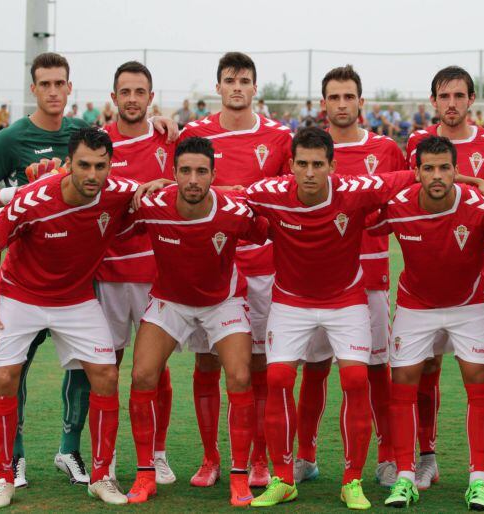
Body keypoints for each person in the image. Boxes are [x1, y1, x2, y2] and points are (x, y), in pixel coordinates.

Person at [0, 51, 178, 489]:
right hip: (28, 284)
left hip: (87, 282)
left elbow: (137, 184)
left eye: (59, 83)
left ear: (70, 87)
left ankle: (74, 451)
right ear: (34, 89)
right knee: (13, 371)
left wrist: (167, 123)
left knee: (95, 370)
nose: (52, 91)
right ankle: (15, 461)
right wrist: (23, 196)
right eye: (44, 84)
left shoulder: (92, 135)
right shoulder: (12, 139)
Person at [245, 127, 417, 509]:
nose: (309, 172)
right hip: (290, 300)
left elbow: (416, 174)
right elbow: (224, 193)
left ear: (332, 166)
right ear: (290, 166)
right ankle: (283, 477)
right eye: (302, 164)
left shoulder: (354, 190)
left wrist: (473, 180)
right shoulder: (271, 193)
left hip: (346, 299)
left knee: (356, 378)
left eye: (317, 164)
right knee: (278, 378)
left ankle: (351, 480)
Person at [124, 137, 268, 506]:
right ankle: (145, 476)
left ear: (213, 175)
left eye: (201, 172)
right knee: (141, 375)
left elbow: (263, 230)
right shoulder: (152, 205)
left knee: (239, 375)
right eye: (185, 171)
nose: (192, 179)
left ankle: (239, 477)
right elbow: (119, 208)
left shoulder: (233, 211)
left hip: (223, 301)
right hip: (170, 300)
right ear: (172, 175)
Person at [368, 136, 484, 510]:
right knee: (403, 386)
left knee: (479, 383)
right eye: (428, 168)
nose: (437, 175)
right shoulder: (398, 207)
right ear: (416, 172)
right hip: (416, 306)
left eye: (445, 167)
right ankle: (406, 478)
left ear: (457, 171)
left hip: (470, 304)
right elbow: (357, 220)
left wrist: (482, 187)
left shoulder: (479, 206)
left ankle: (478, 480)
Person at [177, 51, 293, 489]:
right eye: (230, 80)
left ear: (255, 87)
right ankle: (210, 458)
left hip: (263, 267)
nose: (238, 86)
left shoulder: (280, 136)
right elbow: (180, 184)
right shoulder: (194, 133)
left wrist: (249, 193)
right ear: (219, 87)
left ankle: (259, 458)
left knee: (256, 365)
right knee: (207, 362)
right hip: (211, 265)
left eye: (245, 80)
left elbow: (288, 192)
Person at [293, 64, 407, 488]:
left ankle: (387, 456)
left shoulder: (386, 149)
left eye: (349, 97)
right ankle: (305, 455)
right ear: (323, 104)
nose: (342, 104)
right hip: (316, 280)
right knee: (315, 367)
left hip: (370, 278)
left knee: (375, 370)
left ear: (361, 102)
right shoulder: (308, 153)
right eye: (334, 97)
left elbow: (401, 207)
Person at [406, 65, 484, 493]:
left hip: (482, 274)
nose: (451, 103)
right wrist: (470, 178)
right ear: (433, 101)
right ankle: (426, 458)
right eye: (443, 96)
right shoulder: (417, 143)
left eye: (459, 96)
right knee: (426, 368)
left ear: (472, 101)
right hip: (428, 272)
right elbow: (410, 190)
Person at [95, 60, 178, 483]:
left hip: (153, 275)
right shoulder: (97, 145)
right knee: (106, 370)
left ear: (150, 97)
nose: (131, 99)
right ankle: (104, 460)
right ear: (114, 98)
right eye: (124, 92)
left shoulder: (169, 140)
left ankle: (158, 454)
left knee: (156, 370)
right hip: (106, 276)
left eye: (139, 92)